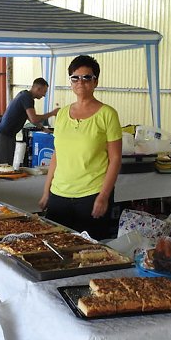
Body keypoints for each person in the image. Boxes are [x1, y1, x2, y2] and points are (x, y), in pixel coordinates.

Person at [39, 56, 121, 240]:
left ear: (95, 81)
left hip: (91, 196)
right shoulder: (62, 114)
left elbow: (115, 159)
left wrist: (103, 196)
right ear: (70, 82)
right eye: (75, 78)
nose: (80, 82)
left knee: (90, 250)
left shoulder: (107, 114)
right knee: (56, 246)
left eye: (87, 77)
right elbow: (57, 155)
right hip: (59, 195)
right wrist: (46, 192)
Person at [0, 77, 58, 165]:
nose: (44, 95)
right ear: (38, 89)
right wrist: (52, 113)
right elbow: (34, 118)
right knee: (5, 163)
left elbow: (29, 117)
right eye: (44, 92)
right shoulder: (27, 98)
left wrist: (43, 128)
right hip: (6, 132)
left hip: (4, 131)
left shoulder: (24, 94)